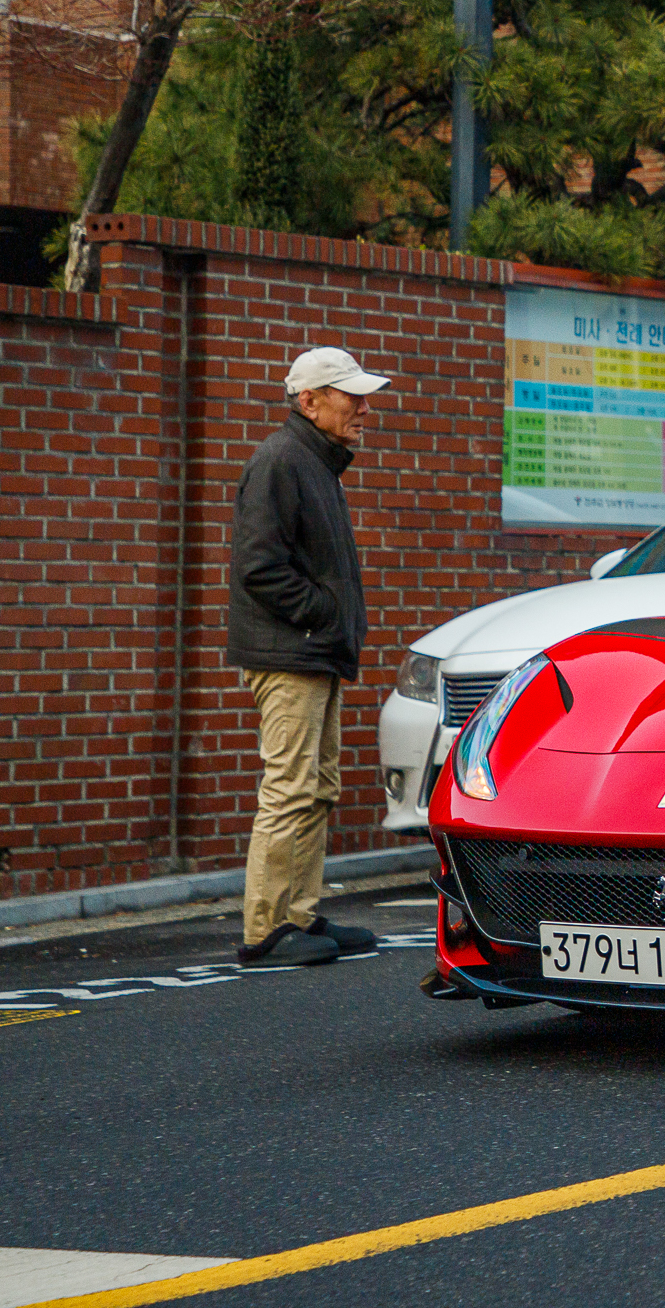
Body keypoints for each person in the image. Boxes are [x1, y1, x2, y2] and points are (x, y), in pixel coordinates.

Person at [227, 347, 393, 966]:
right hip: (291, 653)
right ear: (310, 401)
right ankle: (266, 929)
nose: (364, 408)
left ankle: (297, 914)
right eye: (352, 396)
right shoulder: (282, 460)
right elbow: (259, 568)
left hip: (311, 652)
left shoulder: (314, 462)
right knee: (291, 787)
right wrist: (325, 614)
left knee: (317, 787)